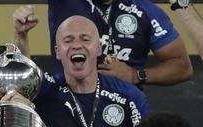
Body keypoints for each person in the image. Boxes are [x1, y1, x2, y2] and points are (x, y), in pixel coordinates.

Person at [31, 16, 150, 127]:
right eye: (68, 40)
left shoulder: (129, 95)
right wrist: (21, 35)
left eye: (85, 39)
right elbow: (23, 82)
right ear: (57, 51)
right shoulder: (47, 91)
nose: (77, 45)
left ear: (98, 48)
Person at [41, 0, 191, 88]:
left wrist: (136, 75)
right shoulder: (63, 3)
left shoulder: (146, 11)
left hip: (124, 111)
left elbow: (182, 66)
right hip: (67, 105)